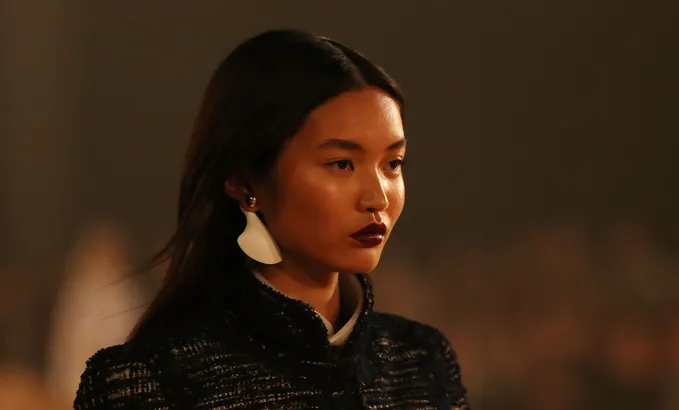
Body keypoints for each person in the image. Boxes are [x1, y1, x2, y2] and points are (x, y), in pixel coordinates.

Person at [73, 29, 469, 409]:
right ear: (244, 181)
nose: (377, 198)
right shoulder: (152, 382)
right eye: (342, 164)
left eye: (392, 164)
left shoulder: (422, 363)